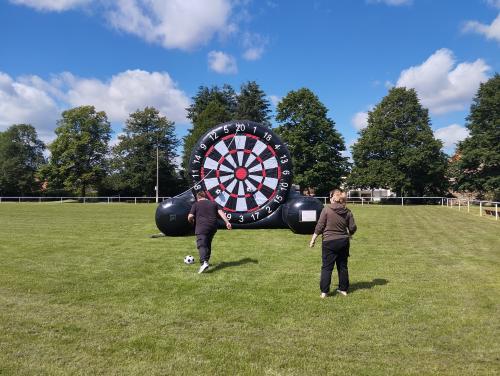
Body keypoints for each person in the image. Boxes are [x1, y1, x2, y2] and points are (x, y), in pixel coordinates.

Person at [309, 189, 357, 298]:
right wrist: (350, 233)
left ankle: (324, 292)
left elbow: (320, 226)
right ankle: (343, 290)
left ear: (332, 198)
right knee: (342, 266)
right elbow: (353, 227)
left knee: (326, 267)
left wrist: (313, 239)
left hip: (329, 242)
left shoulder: (326, 209)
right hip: (343, 241)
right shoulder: (347, 211)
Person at [188, 191, 232, 273]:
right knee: (207, 243)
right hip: (213, 227)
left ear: (198, 198)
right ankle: (206, 261)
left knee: (201, 244)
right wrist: (227, 222)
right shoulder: (213, 203)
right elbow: (221, 212)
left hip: (201, 226)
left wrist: (191, 221)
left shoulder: (196, 204)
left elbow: (190, 216)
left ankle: (203, 262)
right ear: (205, 197)